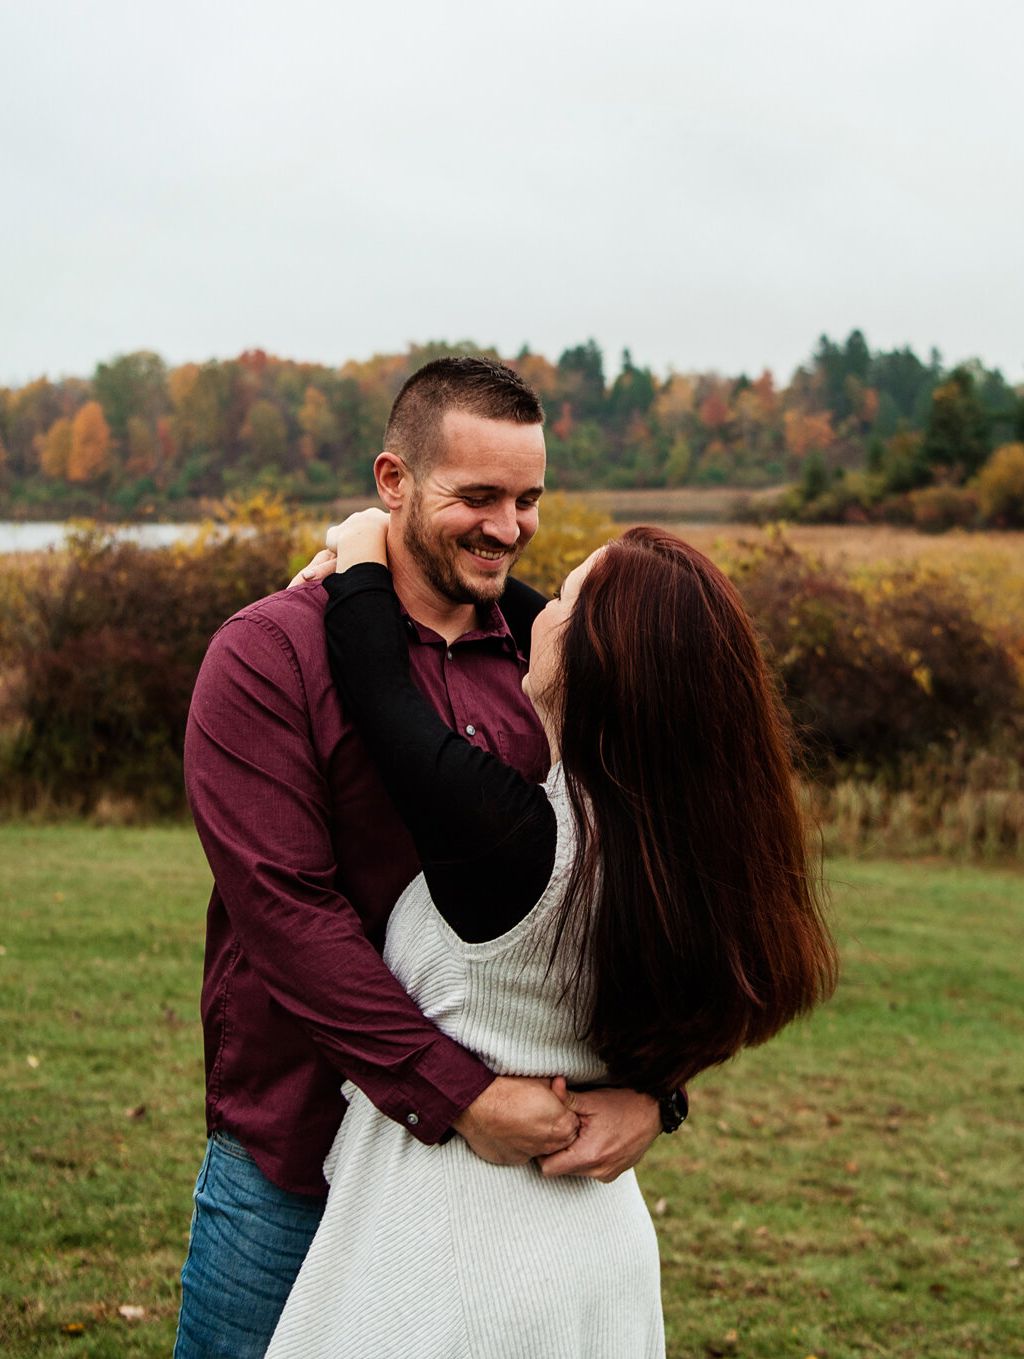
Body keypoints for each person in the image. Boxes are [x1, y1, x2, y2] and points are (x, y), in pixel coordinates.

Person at [175, 358, 669, 1359]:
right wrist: (458, 1097)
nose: (507, 526)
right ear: (392, 482)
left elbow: (642, 882)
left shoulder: (558, 661)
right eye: (476, 496)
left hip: (500, 1189)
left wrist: (659, 1089)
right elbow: (287, 915)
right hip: (295, 1160)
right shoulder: (270, 655)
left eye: (528, 499)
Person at [264, 512, 837, 1356]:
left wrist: (363, 551)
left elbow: (382, 691)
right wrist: (660, 1097)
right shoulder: (693, 858)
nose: (539, 608)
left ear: (594, 663)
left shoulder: (511, 836)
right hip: (599, 1247)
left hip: (457, 1262)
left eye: (564, 594)